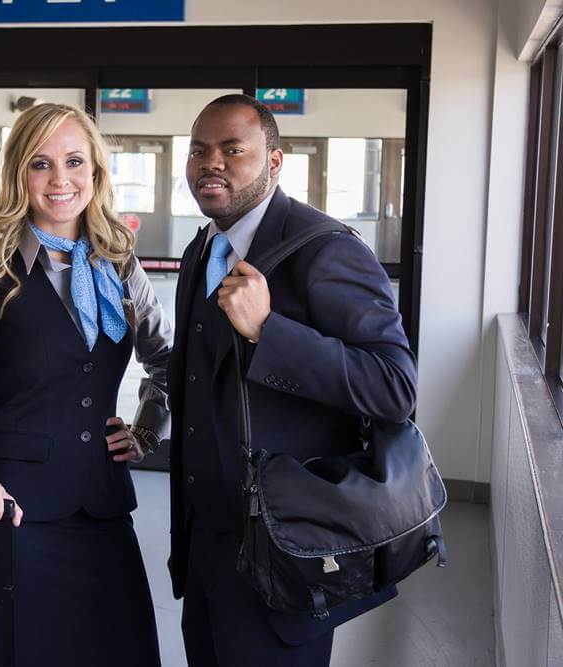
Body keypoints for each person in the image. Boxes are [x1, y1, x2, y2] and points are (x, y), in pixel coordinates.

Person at [168, 94, 418, 666]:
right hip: (207, 547)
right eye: (200, 151)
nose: (213, 164)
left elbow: (394, 386)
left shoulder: (325, 249)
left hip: (287, 548)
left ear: (275, 163)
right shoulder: (201, 248)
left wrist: (268, 332)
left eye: (234, 150)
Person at [0, 102, 172, 667]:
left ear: (95, 172)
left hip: (102, 509)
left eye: (74, 162)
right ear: (20, 173)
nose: (60, 180)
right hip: (14, 512)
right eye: (41, 164)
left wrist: (147, 430)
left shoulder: (118, 264)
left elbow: (169, 363)